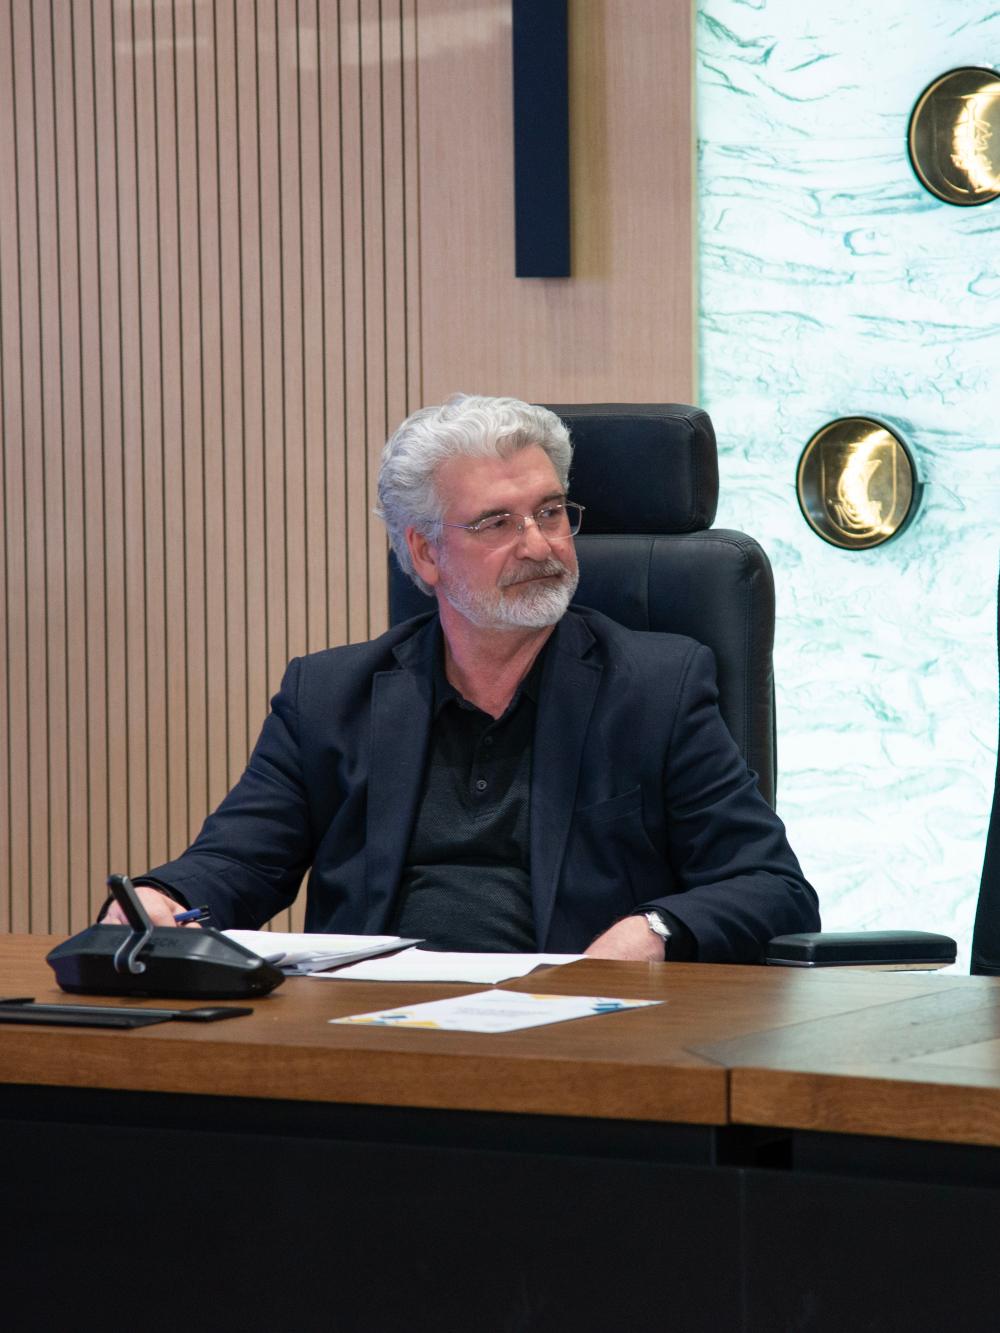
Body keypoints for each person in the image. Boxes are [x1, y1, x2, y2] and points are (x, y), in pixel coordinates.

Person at [103, 394, 819, 960]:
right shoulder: (329, 696)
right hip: (373, 1035)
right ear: (425, 553)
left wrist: (654, 929)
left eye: (550, 513)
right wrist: (162, 899)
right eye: (497, 523)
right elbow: (236, 861)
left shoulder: (656, 687)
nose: (539, 545)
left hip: (574, 1033)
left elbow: (772, 887)